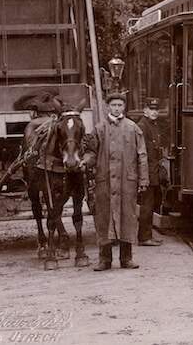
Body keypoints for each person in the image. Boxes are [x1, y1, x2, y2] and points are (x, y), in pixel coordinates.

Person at [81, 91, 148, 271]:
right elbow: (91, 152)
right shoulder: (99, 129)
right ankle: (105, 259)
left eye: (119, 105)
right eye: (113, 105)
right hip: (104, 181)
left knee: (127, 217)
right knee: (104, 218)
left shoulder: (133, 128)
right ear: (107, 107)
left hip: (127, 181)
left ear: (124, 107)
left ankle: (126, 258)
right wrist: (85, 161)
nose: (117, 108)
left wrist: (143, 179)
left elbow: (142, 155)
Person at [136, 97, 165, 246]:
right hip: (146, 172)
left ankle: (148, 235)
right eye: (151, 109)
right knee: (146, 206)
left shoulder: (153, 125)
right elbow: (141, 153)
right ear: (145, 110)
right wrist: (143, 175)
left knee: (151, 204)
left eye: (156, 109)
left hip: (153, 171)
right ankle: (144, 237)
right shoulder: (142, 126)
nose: (154, 112)